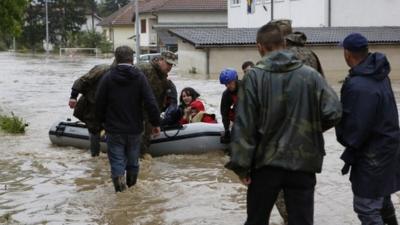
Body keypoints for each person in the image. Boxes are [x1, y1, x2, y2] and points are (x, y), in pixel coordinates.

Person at [225, 23, 342, 225]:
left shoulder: (253, 77)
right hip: (303, 165)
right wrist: (308, 130)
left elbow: (244, 125)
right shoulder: (310, 75)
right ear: (284, 44)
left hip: (265, 165)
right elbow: (335, 111)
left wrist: (241, 166)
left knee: (256, 220)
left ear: (260, 47)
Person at [335, 33, 400, 225]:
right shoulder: (380, 74)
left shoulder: (358, 85)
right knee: (383, 200)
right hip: (388, 148)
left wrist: (344, 137)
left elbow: (355, 130)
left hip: (372, 155)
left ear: (347, 53)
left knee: (366, 207)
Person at [96, 46, 160, 192]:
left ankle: (120, 190)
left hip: (113, 128)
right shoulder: (140, 77)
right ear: (132, 59)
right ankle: (131, 187)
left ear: (116, 58)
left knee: (117, 160)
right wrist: (156, 123)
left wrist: (99, 124)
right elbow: (150, 101)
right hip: (135, 128)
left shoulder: (108, 77)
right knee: (133, 160)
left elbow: (99, 102)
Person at [137, 51, 178, 155]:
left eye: (172, 64)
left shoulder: (163, 77)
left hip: (149, 117)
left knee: (143, 147)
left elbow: (159, 101)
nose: (170, 67)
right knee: (138, 148)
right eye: (168, 63)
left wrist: (156, 122)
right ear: (160, 60)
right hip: (136, 116)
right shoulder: (144, 69)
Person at [68, 63, 113, 157]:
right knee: (94, 129)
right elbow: (81, 81)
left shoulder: (129, 72)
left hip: (111, 108)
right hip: (92, 105)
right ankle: (95, 156)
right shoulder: (102, 69)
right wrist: (73, 97)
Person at [219, 68, 240, 144]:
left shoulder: (246, 87)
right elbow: (224, 113)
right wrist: (226, 129)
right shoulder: (226, 94)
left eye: (230, 83)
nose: (228, 85)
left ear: (235, 79)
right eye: (225, 84)